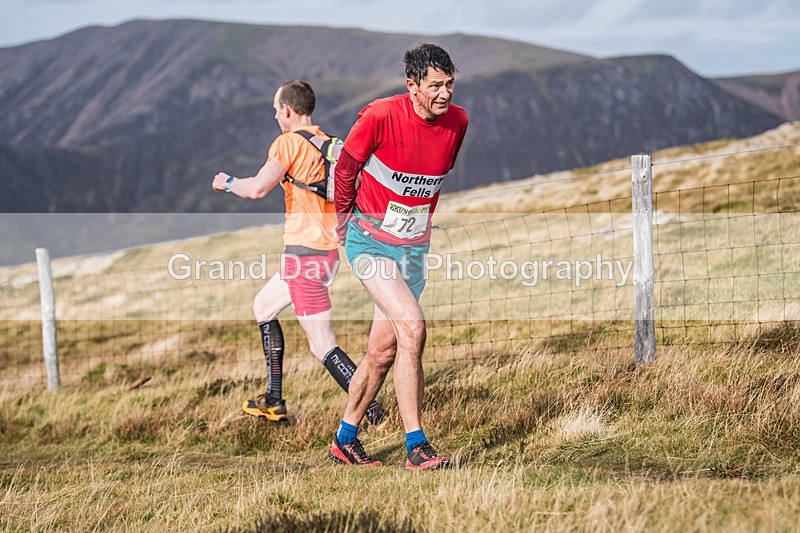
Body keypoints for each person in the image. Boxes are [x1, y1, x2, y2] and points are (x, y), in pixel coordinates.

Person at [212, 80, 386, 427]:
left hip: (304, 257)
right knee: (263, 306)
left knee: (322, 346)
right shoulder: (330, 144)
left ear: (288, 111)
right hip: (324, 254)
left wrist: (228, 182)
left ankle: (374, 413)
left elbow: (258, 188)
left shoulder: (288, 143)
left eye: (277, 110)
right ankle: (274, 400)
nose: (276, 116)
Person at [329, 43, 469, 469]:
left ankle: (345, 439)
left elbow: (432, 181)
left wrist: (418, 227)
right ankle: (416, 445)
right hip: (369, 242)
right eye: (435, 86)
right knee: (412, 327)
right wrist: (342, 224)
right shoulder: (379, 116)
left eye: (449, 85)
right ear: (412, 86)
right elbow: (345, 170)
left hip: (413, 249)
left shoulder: (458, 122)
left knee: (382, 352)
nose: (444, 94)